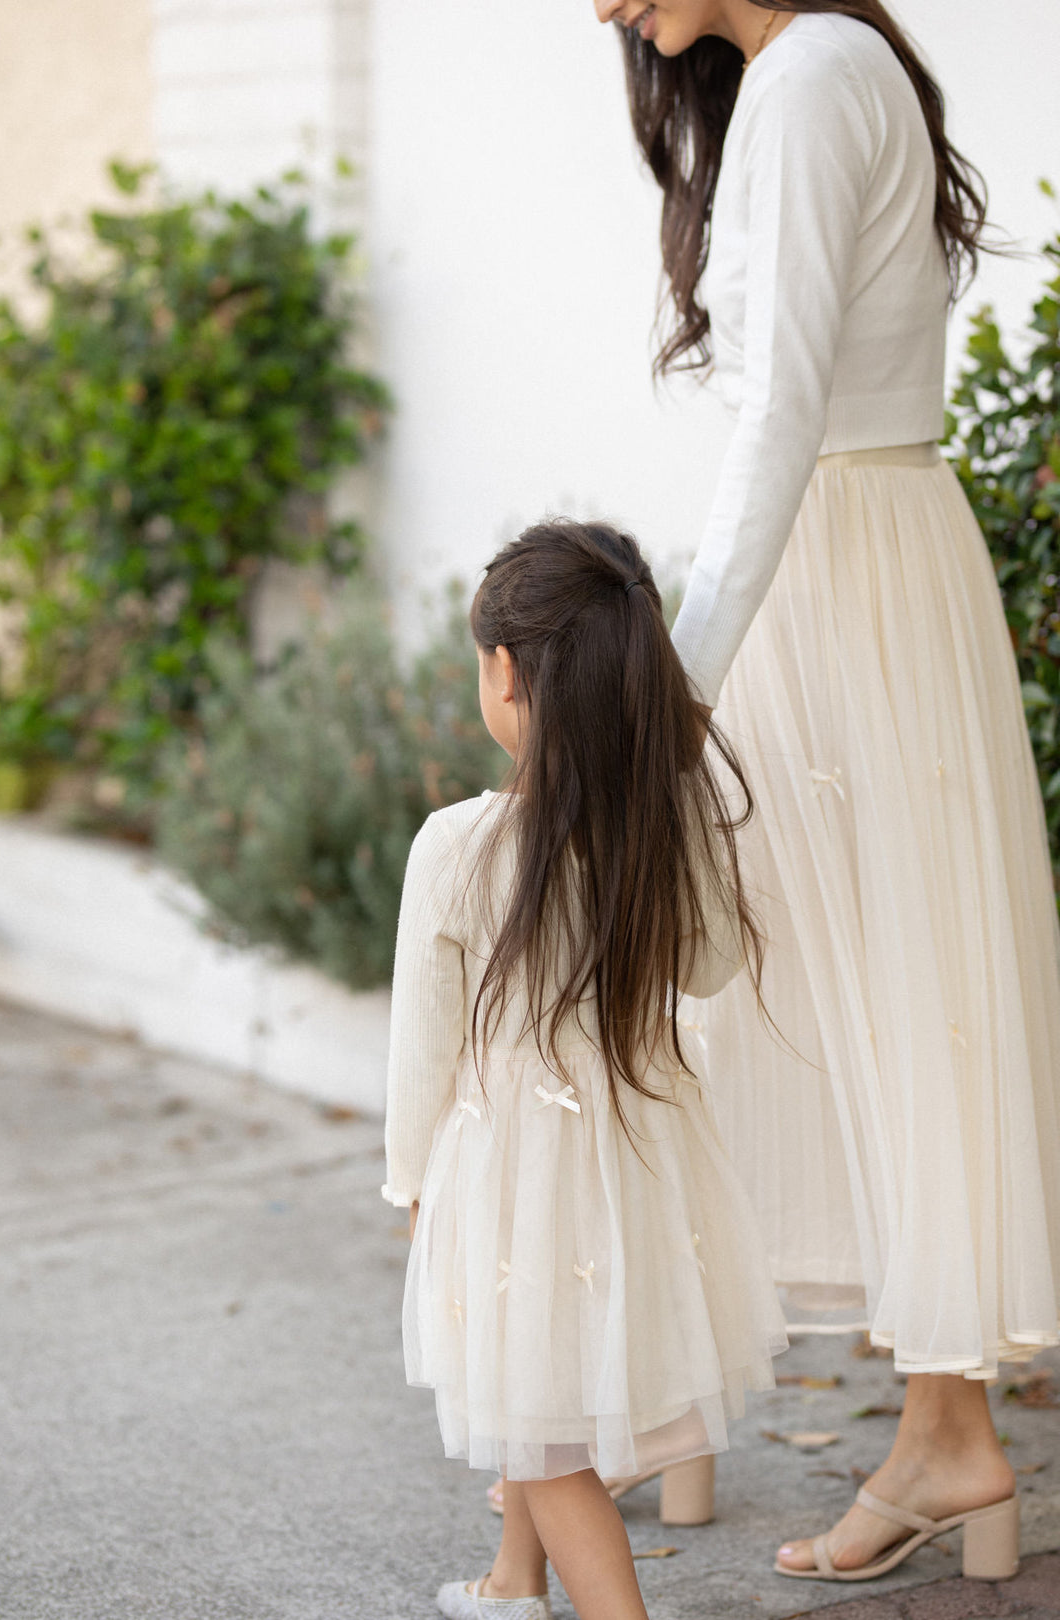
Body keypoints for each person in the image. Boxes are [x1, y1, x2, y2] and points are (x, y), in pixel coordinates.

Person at [591, 0, 1060, 1585]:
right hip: (878, 556)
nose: (598, 8)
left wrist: (684, 673)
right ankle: (929, 1429)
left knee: (805, 973)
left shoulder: (805, 82)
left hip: (835, 578)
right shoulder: (830, 72)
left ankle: (865, 1424)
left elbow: (778, 408)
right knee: (877, 979)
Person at [382, 519, 787, 1620]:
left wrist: (410, 1183)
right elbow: (705, 969)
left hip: (512, 1167)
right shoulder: (666, 824)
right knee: (541, 1378)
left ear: (507, 675)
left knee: (544, 1435)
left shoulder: (458, 845)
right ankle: (514, 1583)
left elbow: (421, 1049)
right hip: (645, 1155)